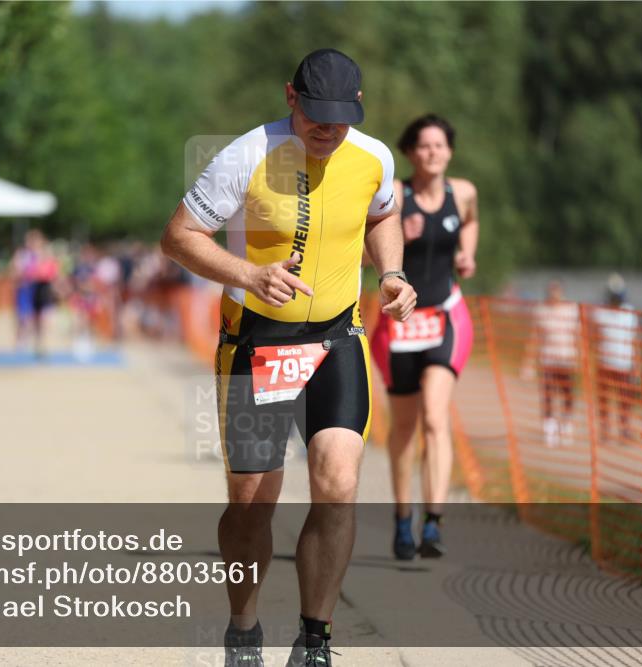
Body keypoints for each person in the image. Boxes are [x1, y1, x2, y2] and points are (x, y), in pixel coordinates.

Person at [161, 49, 416, 667]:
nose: (327, 130)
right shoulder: (246, 155)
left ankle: (315, 640)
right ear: (290, 97)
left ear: (357, 107)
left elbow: (383, 215)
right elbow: (178, 237)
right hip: (260, 343)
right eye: (315, 116)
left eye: (340, 118)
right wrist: (248, 274)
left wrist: (392, 272)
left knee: (339, 483)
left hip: (336, 339)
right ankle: (244, 629)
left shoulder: (374, 157)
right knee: (253, 501)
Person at [369, 114, 478, 561]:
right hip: (399, 324)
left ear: (449, 151)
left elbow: (469, 222)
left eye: (440, 145)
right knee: (404, 427)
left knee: (435, 416)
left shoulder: (463, 192)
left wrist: (468, 253)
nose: (433, 153)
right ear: (411, 153)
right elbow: (363, 249)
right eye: (424, 146)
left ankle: (433, 521)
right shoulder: (395, 195)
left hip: (446, 316)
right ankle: (402, 517)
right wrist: (402, 235)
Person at [523, 280, 581, 448]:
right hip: (548, 360)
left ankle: (566, 425)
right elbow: (534, 337)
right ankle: (550, 428)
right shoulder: (541, 311)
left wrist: (581, 358)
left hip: (567, 360)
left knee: (568, 394)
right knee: (548, 395)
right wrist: (528, 362)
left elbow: (578, 335)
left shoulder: (572, 310)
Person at [592, 273, 639, 444]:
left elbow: (634, 340)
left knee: (625, 400)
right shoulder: (600, 312)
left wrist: (636, 364)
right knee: (604, 398)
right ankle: (605, 429)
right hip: (605, 363)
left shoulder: (630, 313)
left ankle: (624, 429)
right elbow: (594, 337)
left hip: (624, 364)